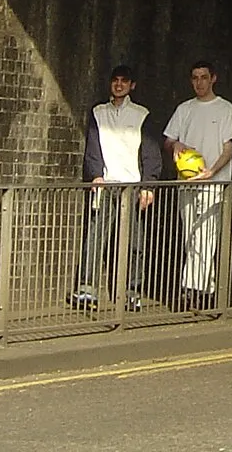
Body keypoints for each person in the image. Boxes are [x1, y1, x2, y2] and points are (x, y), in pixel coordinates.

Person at [74, 64, 163, 309]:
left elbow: (150, 152)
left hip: (132, 185)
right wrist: (95, 175)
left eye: (124, 81)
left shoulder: (142, 114)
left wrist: (149, 185)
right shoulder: (98, 112)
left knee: (135, 242)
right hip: (106, 184)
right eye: (115, 80)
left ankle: (131, 290)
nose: (119, 84)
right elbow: (93, 147)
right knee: (94, 238)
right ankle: (87, 288)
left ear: (132, 85)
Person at [164, 61, 232, 307]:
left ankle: (190, 289)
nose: (199, 83)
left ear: (213, 79)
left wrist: (212, 171)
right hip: (186, 181)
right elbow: (168, 140)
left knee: (204, 236)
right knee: (190, 236)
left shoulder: (226, 109)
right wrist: (176, 145)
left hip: (214, 183)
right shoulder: (184, 109)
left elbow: (229, 148)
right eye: (195, 78)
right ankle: (208, 288)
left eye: (204, 77)